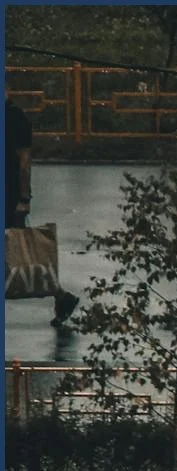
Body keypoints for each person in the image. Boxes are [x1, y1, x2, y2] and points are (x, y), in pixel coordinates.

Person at [6, 100, 80, 327]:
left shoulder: (16, 118)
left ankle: (61, 295)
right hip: (10, 194)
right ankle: (61, 296)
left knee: (18, 255)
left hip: (9, 195)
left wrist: (24, 198)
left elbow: (24, 161)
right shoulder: (16, 117)